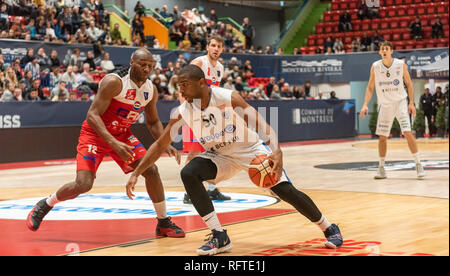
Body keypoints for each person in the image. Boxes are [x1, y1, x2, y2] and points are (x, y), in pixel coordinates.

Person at [125, 64, 343, 255]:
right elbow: (159, 145)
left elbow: (260, 123)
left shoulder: (228, 98)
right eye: (178, 85)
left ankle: (328, 228)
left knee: (284, 190)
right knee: (189, 172)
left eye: (184, 84)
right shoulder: (183, 111)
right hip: (220, 156)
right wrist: (136, 173)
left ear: (201, 83)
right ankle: (219, 235)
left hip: (250, 149)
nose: (180, 90)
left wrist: (277, 150)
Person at [26, 48, 186, 238]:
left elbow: (152, 122)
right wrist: (113, 142)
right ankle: (46, 204)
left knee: (151, 170)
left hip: (122, 135)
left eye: (150, 66)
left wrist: (164, 143)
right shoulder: (114, 82)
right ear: (132, 63)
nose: (146, 69)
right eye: (142, 65)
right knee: (83, 184)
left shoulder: (150, 89)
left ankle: (163, 222)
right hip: (95, 134)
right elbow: (92, 115)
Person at [360, 41, 425, 180]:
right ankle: (381, 168)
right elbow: (370, 87)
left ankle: (419, 164)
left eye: (387, 48)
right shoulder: (375, 66)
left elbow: (409, 83)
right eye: (382, 49)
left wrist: (412, 103)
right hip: (385, 105)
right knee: (382, 137)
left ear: (391, 51)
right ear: (379, 52)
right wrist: (365, 104)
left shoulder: (400, 65)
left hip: (400, 102)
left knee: (407, 133)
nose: (384, 50)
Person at [182, 35, 231, 203]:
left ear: (222, 49)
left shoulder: (220, 68)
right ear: (207, 47)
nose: (216, 49)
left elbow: (214, 93)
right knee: (195, 153)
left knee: (215, 151)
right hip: (195, 112)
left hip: (210, 114)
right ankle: (188, 192)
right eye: (213, 45)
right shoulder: (199, 63)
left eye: (219, 46)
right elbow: (182, 82)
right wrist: (186, 109)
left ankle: (212, 189)